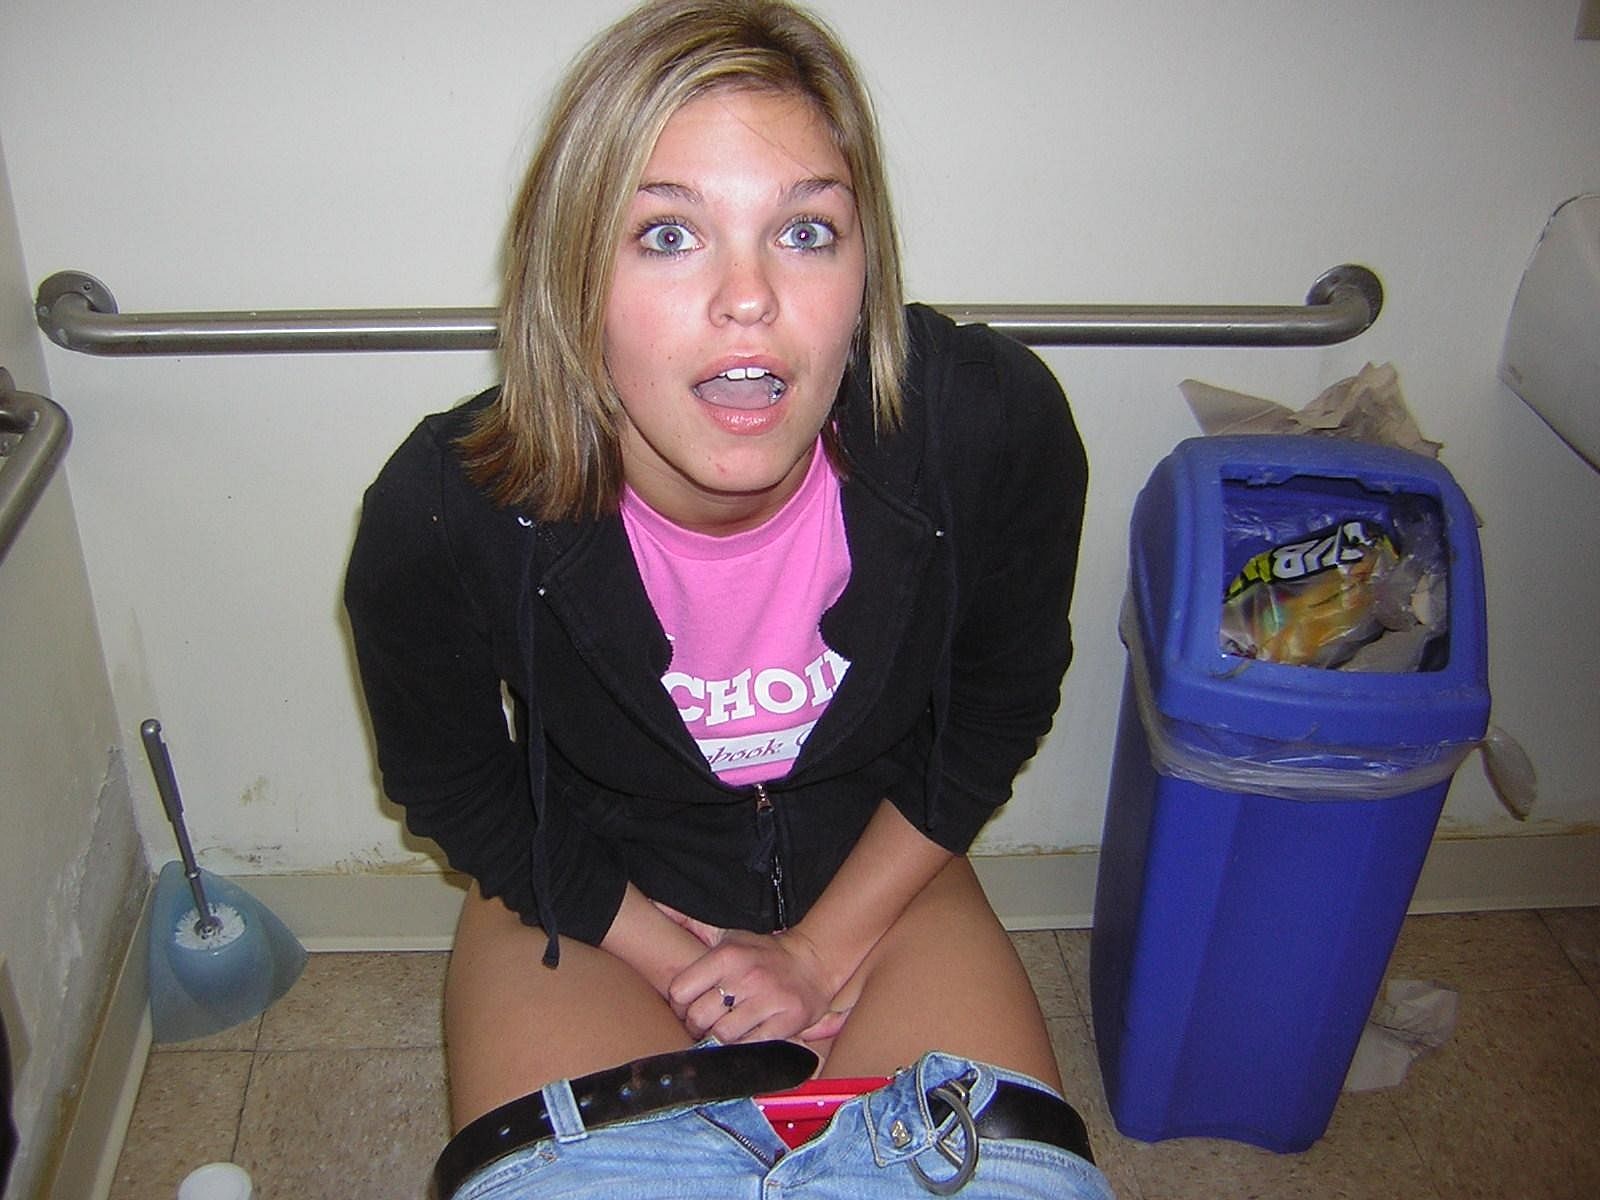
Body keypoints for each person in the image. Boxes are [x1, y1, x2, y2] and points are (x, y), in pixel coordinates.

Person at [346, 1, 1107, 1195]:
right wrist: (667, 953)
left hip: (880, 872)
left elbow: (996, 706)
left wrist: (817, 949)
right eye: (667, 234)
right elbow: (455, 782)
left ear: (864, 272)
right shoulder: (448, 511)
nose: (748, 297)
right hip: (597, 894)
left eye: (805, 231)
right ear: (571, 278)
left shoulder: (985, 429)